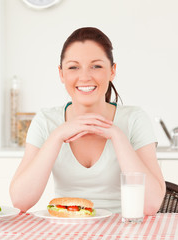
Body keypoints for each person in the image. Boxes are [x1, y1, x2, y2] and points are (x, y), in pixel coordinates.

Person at [9, 27, 165, 214]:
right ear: (61, 74)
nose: (84, 77)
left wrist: (117, 136)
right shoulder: (46, 121)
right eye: (73, 67)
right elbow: (20, 201)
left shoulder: (134, 119)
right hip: (65, 228)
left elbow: (150, 205)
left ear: (112, 71)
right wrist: (57, 136)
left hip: (123, 228)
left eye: (96, 66)